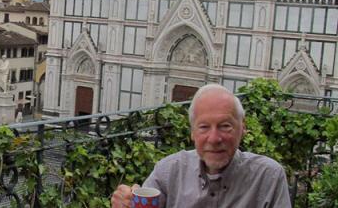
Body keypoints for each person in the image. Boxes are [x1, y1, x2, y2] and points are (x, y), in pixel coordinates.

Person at [111, 84, 291, 208]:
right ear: (192, 133)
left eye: (225, 126)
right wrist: (126, 201)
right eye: (204, 127)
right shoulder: (169, 171)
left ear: (242, 129)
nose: (214, 138)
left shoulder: (268, 176)